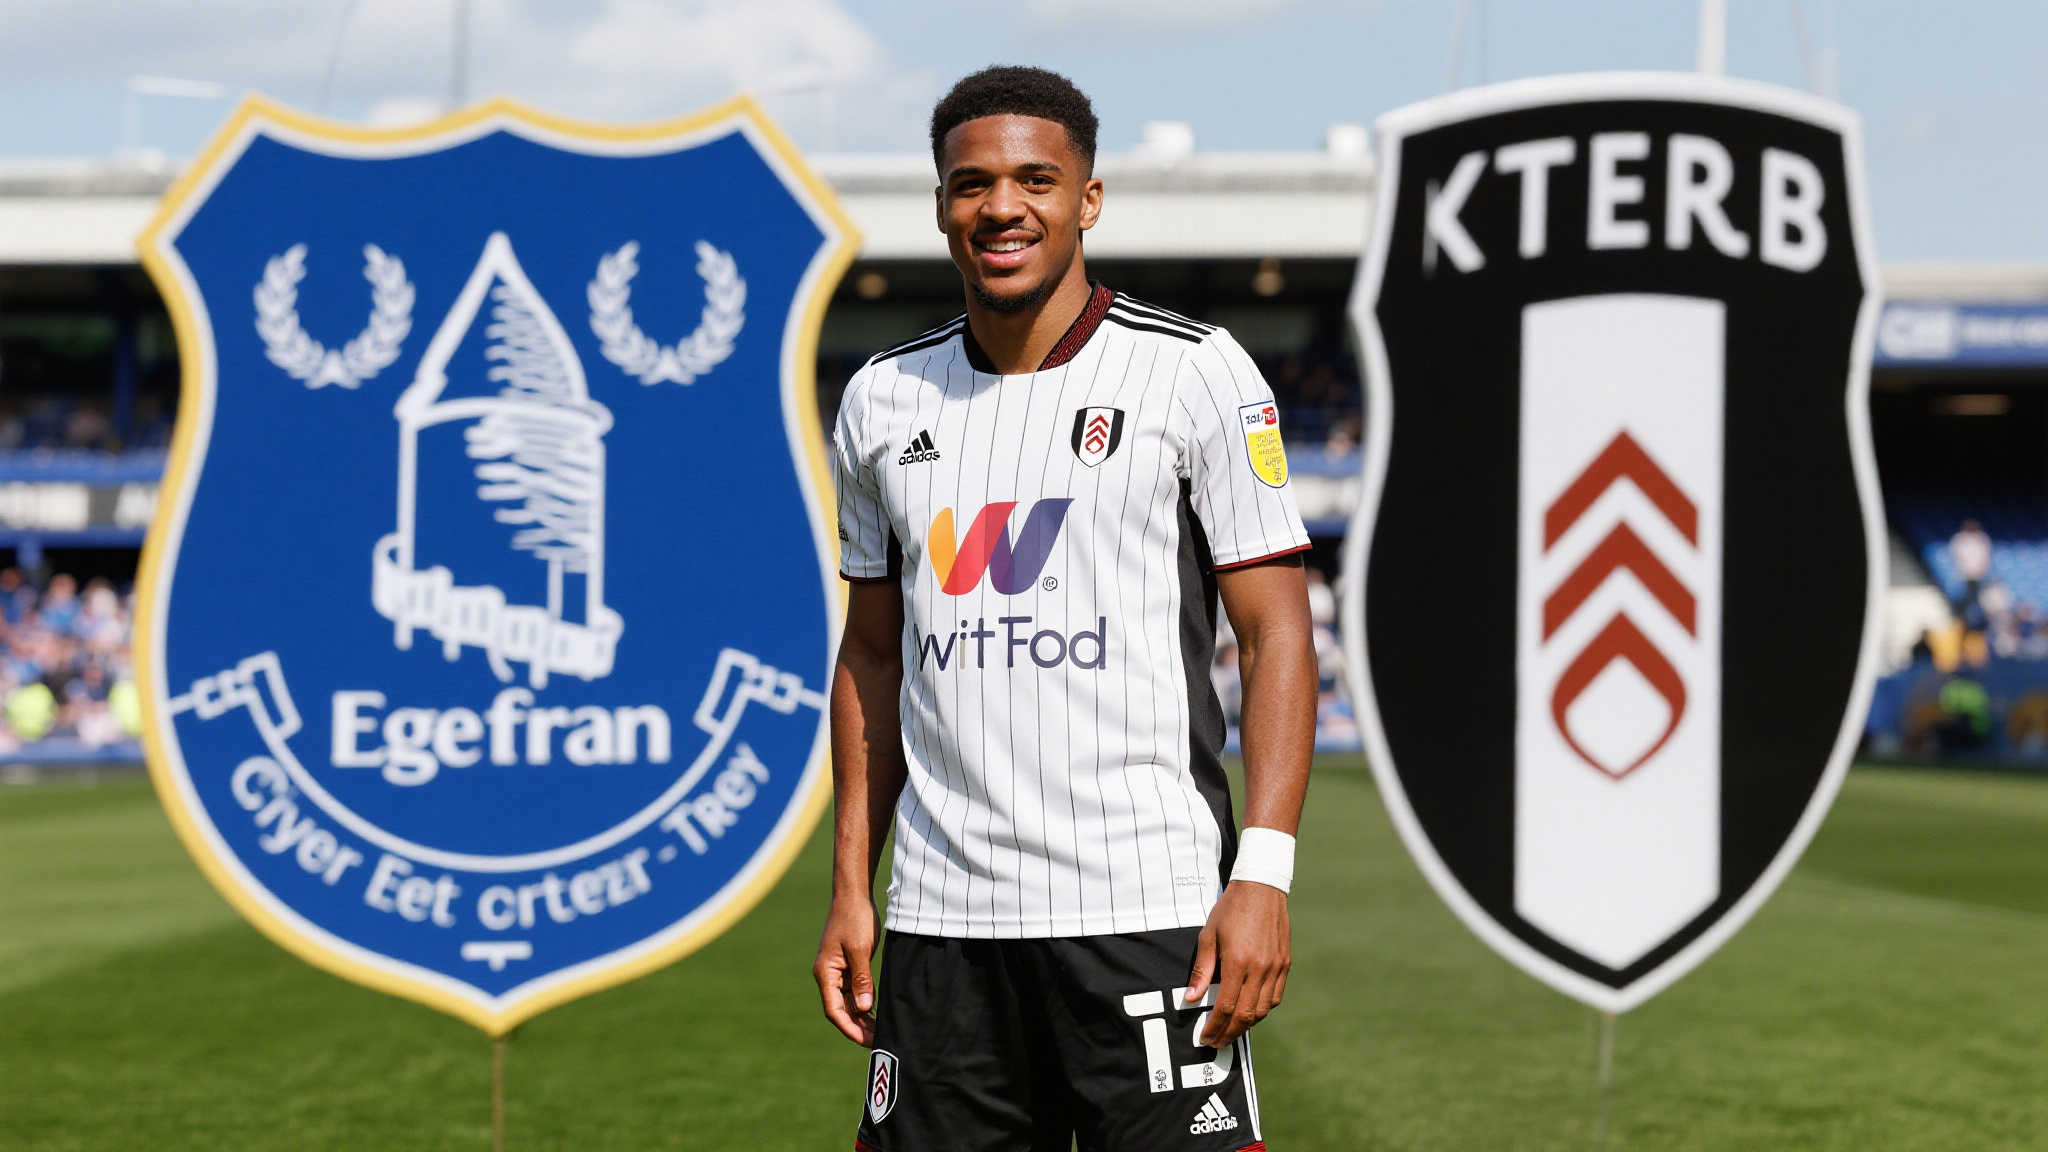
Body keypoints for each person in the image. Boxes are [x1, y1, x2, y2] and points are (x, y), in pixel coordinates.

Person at [814, 65, 1315, 1152]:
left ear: (1088, 199)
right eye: (972, 185)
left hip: (1149, 912)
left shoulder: (1195, 374)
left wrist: (1263, 876)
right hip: (943, 924)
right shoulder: (879, 400)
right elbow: (871, 657)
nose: (1002, 207)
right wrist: (853, 885)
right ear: (941, 205)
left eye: (1035, 180)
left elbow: (1275, 632)